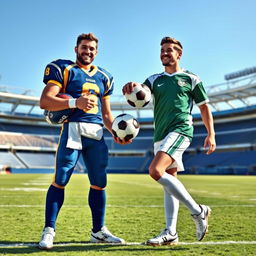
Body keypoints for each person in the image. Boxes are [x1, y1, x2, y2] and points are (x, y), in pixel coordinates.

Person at [122, 36, 216, 246]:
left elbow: (203, 107)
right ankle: (171, 232)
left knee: (156, 171)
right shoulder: (154, 79)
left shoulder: (191, 78)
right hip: (160, 135)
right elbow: (140, 92)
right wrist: (131, 87)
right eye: (162, 50)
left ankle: (198, 211)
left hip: (181, 129)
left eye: (169, 50)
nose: (165, 53)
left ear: (179, 54)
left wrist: (211, 134)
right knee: (169, 182)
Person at [39, 33, 127, 249]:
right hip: (73, 129)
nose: (88, 51)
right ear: (76, 49)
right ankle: (49, 230)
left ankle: (98, 231)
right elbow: (45, 101)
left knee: (99, 182)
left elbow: (107, 115)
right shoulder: (64, 69)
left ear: (96, 52)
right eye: (84, 47)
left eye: (92, 49)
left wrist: (116, 131)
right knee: (61, 177)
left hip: (96, 132)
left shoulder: (105, 77)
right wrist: (74, 102)